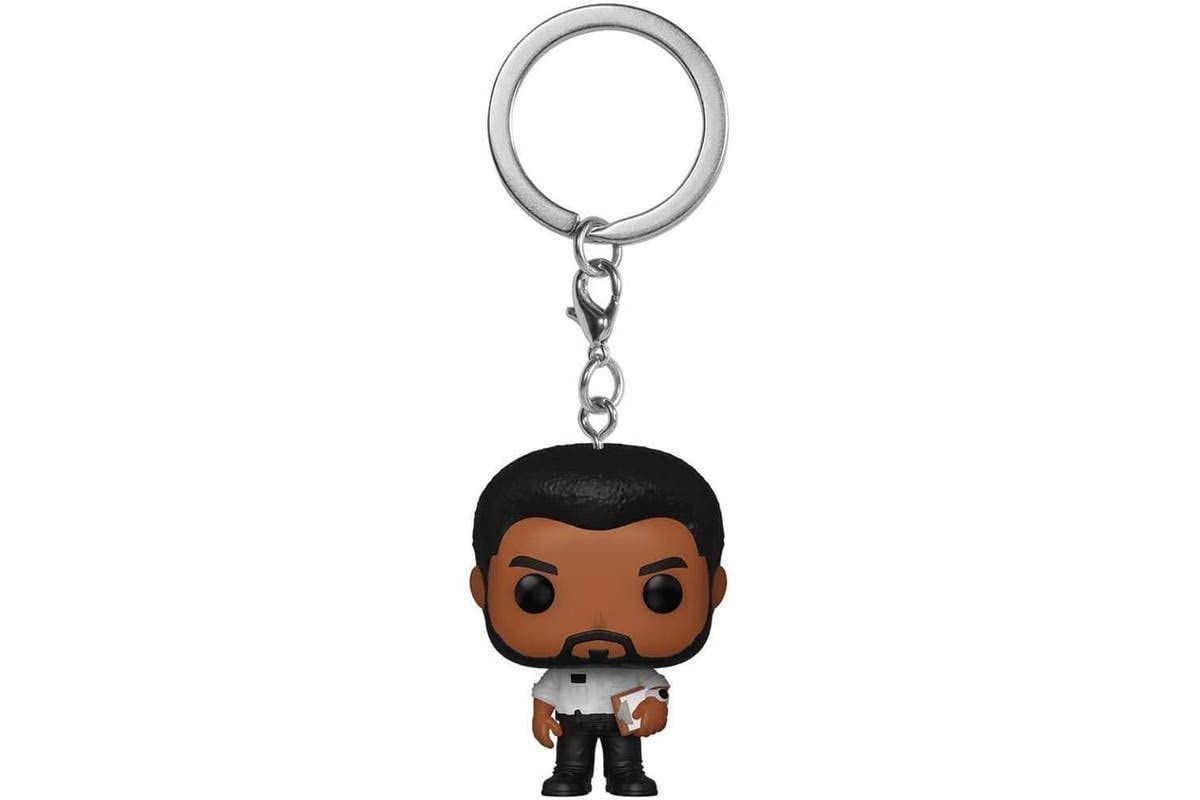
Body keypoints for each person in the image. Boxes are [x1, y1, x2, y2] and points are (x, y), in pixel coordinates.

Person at [470, 444, 728, 797]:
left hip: (621, 723)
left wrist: (655, 707)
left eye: (661, 592)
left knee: (626, 761)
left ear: (713, 589)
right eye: (535, 593)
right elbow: (544, 692)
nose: (598, 624)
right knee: (571, 761)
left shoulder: (636, 672)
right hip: (573, 720)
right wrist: (541, 715)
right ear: (482, 589)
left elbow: (657, 689)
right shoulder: (559, 674)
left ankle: (625, 774)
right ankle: (571, 775)